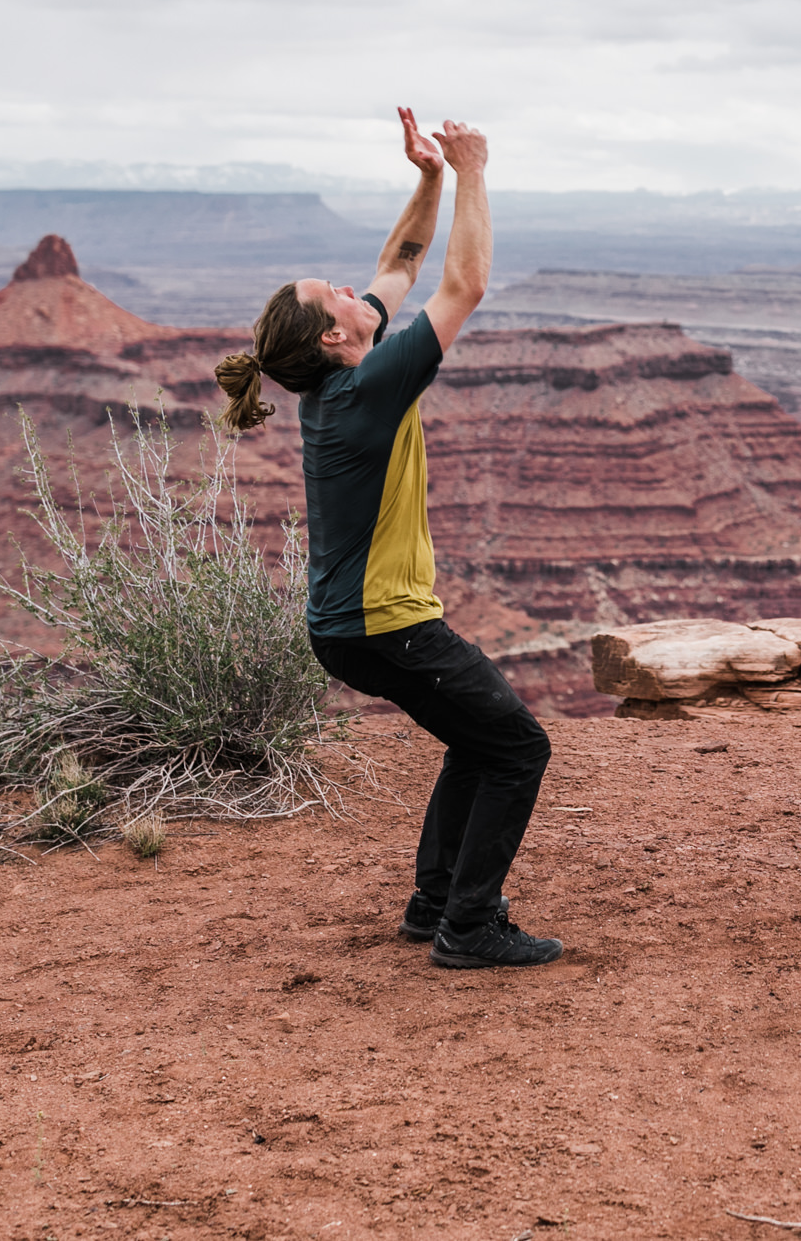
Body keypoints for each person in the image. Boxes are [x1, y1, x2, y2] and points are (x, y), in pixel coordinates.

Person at [213, 108, 561, 969]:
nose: (348, 288)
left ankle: (435, 901)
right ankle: (469, 926)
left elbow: (398, 263)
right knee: (518, 746)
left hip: (351, 628)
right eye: (330, 295)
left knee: (478, 739)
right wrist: (478, 169)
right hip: (386, 624)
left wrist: (431, 178)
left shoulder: (337, 370)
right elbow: (463, 285)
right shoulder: (365, 388)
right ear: (336, 335)